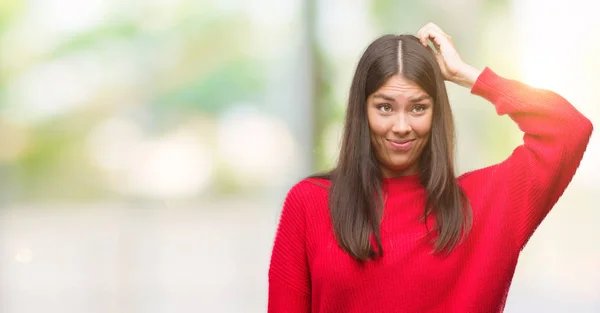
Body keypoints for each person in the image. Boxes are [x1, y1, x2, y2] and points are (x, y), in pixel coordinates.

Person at [267, 23, 593, 313]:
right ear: (361, 111)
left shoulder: (485, 202)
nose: (401, 125)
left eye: (418, 107)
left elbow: (568, 129)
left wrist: (466, 74)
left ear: (436, 113)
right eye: (384, 107)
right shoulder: (310, 204)